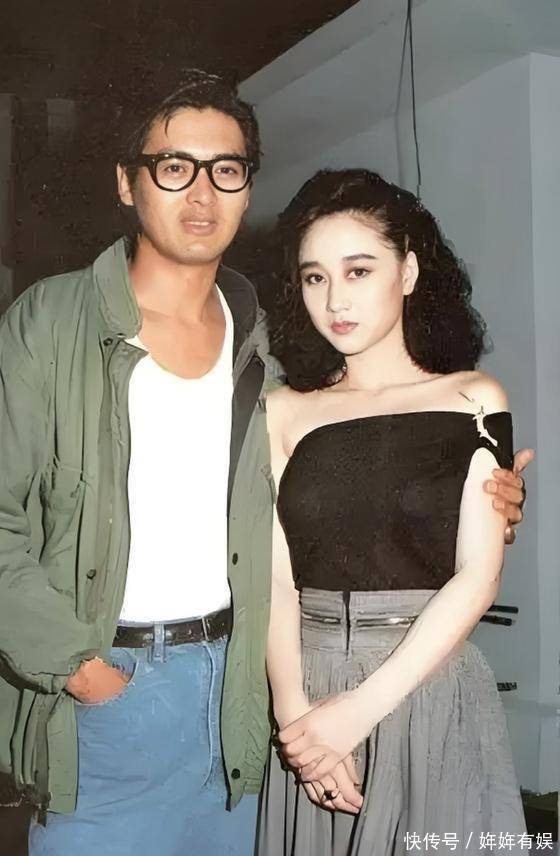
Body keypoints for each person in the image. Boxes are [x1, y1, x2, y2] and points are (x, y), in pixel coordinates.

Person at [0, 74, 528, 855]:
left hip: (244, 695)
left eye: (227, 169)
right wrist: (80, 670)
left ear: (248, 187)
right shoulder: (50, 323)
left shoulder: (272, 345)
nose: (203, 192)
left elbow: (355, 474)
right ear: (127, 182)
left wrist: (475, 496)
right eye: (174, 166)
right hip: (112, 692)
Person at [256, 169, 530, 855]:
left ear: (407, 272)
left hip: (427, 686)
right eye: (315, 277)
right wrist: (299, 725)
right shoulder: (282, 410)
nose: (334, 299)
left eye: (358, 270)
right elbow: (275, 580)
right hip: (309, 689)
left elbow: (478, 576)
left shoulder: (474, 397)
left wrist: (356, 713)